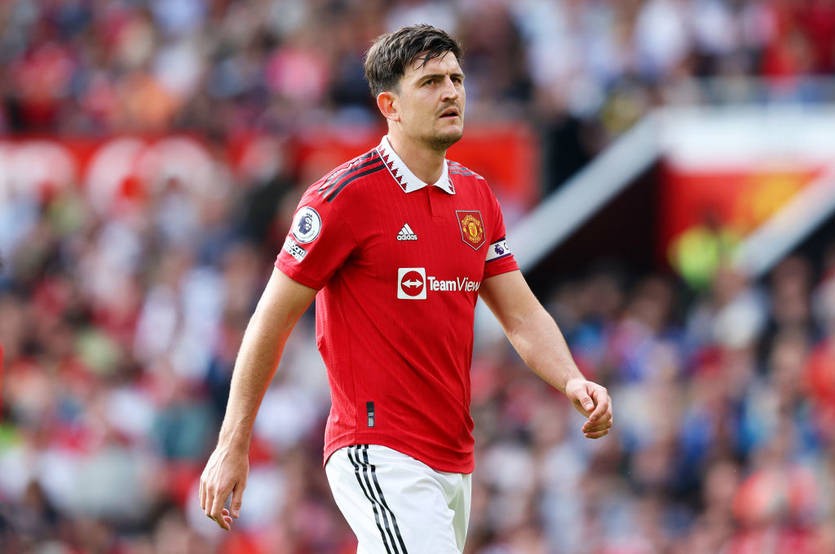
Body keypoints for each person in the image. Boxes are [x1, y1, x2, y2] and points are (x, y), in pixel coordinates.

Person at [199, 24, 613, 553]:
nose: (451, 93)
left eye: (456, 79)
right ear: (389, 105)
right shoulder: (342, 198)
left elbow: (522, 315)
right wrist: (232, 443)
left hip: (454, 458)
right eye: (431, 82)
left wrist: (572, 379)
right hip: (378, 451)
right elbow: (271, 320)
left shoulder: (476, 196)